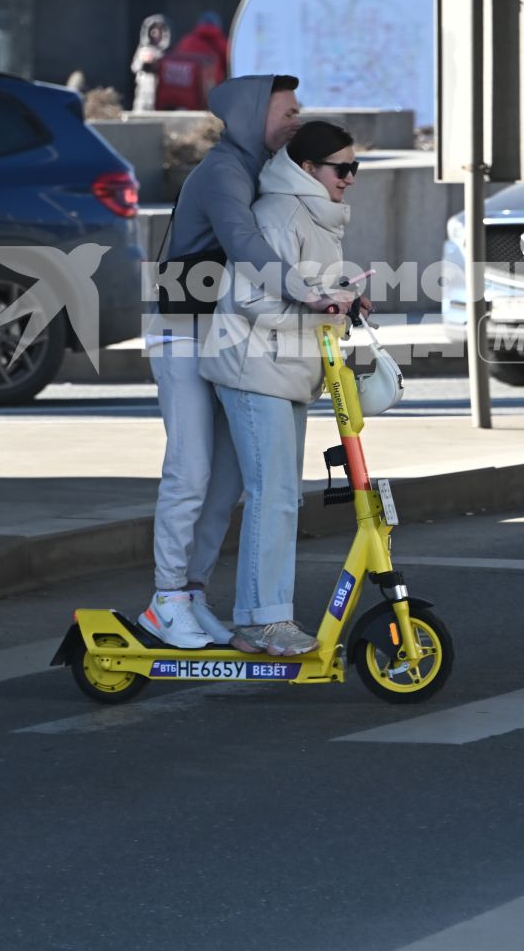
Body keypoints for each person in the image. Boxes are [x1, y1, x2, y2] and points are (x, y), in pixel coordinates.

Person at [140, 74, 312, 650]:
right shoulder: (223, 171)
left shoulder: (262, 169)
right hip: (183, 334)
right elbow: (243, 242)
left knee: (227, 479)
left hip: (221, 336)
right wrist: (301, 289)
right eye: (287, 111)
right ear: (250, 113)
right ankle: (165, 600)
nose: (296, 120)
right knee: (190, 470)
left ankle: (191, 594)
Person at [199, 120, 361, 656]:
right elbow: (252, 299)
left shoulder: (320, 216)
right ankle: (260, 621)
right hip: (254, 368)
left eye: (354, 168)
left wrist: (342, 299)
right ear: (309, 169)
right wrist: (318, 304)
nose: (351, 178)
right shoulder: (279, 214)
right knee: (273, 496)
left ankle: (256, 614)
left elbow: (310, 292)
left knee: (281, 496)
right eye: (342, 168)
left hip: (286, 370)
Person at [154, 12, 230, 111]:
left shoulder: (187, 40)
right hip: (209, 96)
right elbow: (229, 66)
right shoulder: (224, 44)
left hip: (184, 94)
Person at [129, 13, 171, 112]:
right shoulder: (143, 50)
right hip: (143, 94)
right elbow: (134, 67)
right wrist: (144, 63)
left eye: (159, 30)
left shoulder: (169, 53)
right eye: (153, 29)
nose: (155, 33)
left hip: (161, 96)